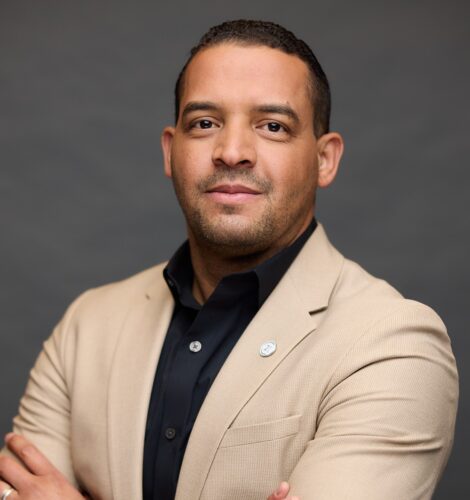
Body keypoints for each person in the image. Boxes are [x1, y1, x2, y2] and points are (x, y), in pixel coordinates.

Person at [0, 19, 458, 500]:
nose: (232, 152)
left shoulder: (393, 346)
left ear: (325, 159)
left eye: (273, 126)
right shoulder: (87, 325)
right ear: (170, 151)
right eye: (205, 123)